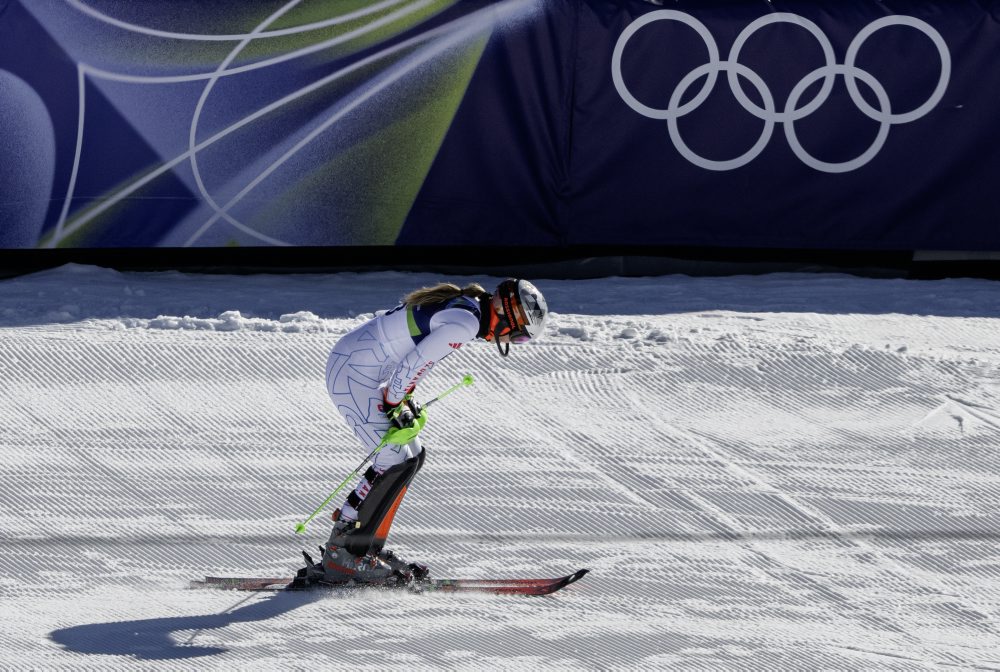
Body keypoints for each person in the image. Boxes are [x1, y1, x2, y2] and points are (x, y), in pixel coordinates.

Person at [298, 278, 549, 586]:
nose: (512, 341)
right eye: (519, 336)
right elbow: (412, 365)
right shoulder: (465, 323)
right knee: (394, 458)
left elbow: (410, 364)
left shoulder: (467, 307)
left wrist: (403, 400)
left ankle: (365, 548)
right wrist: (395, 402)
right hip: (353, 375)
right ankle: (343, 556)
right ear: (507, 316)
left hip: (357, 368)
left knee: (413, 455)